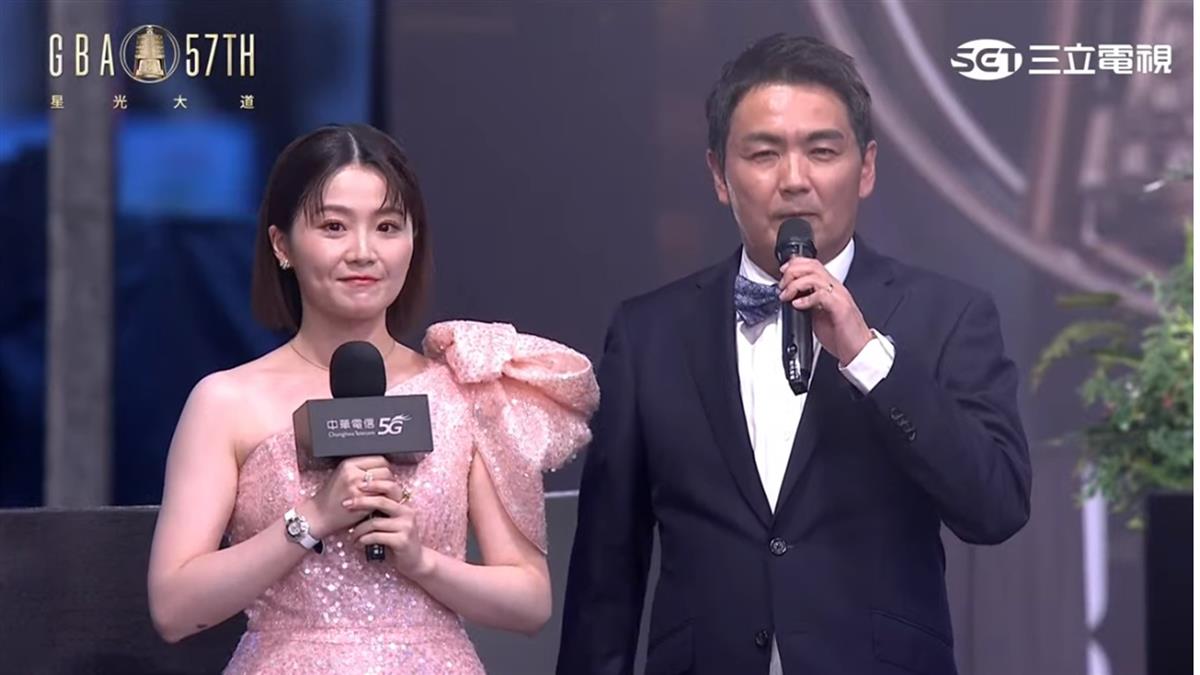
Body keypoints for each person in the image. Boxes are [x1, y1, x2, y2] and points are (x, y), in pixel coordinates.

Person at [558, 34, 1031, 675]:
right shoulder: (649, 334)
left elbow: (996, 507)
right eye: (764, 153)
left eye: (822, 151)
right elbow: (606, 573)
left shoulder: (948, 315)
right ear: (719, 175)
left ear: (866, 168)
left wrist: (867, 356)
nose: (795, 180)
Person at [147, 123, 598, 674]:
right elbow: (174, 609)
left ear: (413, 241)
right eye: (334, 226)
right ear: (282, 245)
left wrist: (422, 562)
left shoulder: (464, 391)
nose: (363, 252)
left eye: (387, 227)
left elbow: (529, 602)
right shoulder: (225, 402)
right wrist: (312, 518)